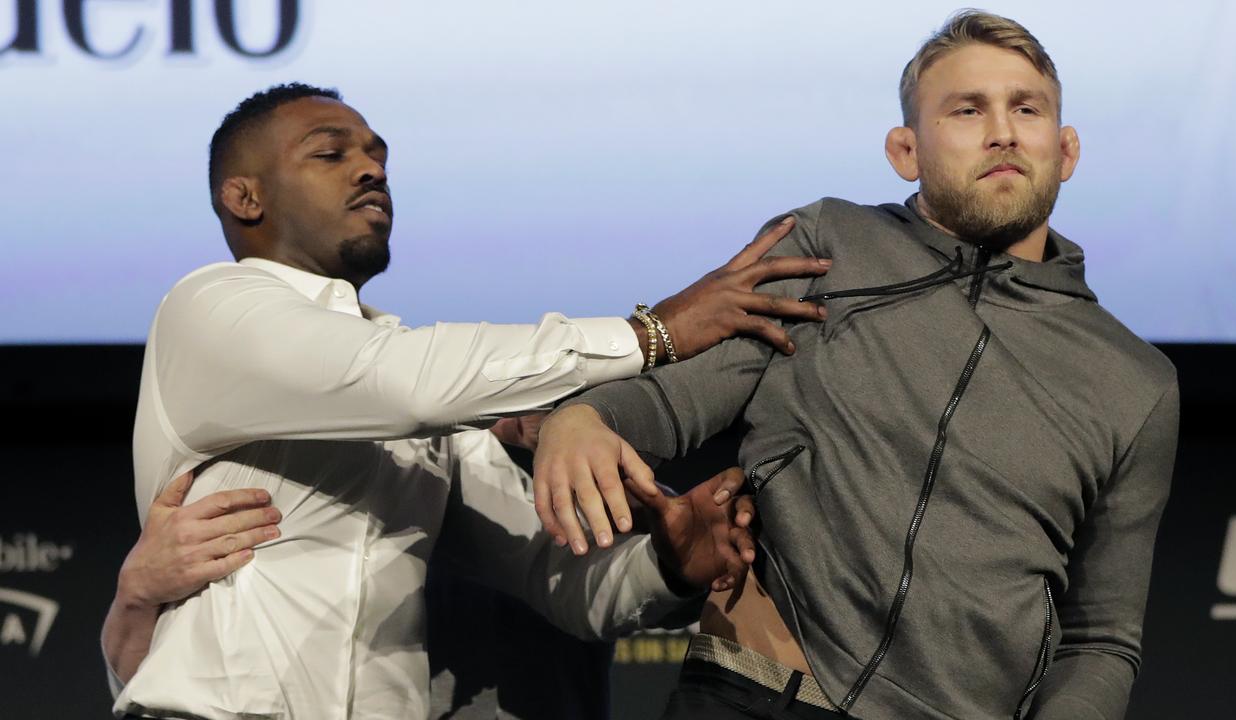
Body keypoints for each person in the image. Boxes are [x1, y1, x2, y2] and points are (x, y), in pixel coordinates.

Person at [105, 82, 831, 720]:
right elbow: (401, 382)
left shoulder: (406, 383)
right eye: (331, 155)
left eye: (378, 154)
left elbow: (560, 582)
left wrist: (668, 564)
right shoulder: (210, 308)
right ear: (244, 196)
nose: (372, 170)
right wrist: (652, 334)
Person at [533, 10, 1180, 720]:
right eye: (967, 110)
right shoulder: (827, 247)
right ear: (906, 150)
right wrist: (586, 414)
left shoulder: (1133, 380)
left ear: (1066, 149)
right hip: (758, 691)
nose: (1002, 130)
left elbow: (1101, 638)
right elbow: (674, 401)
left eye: (1026, 109)